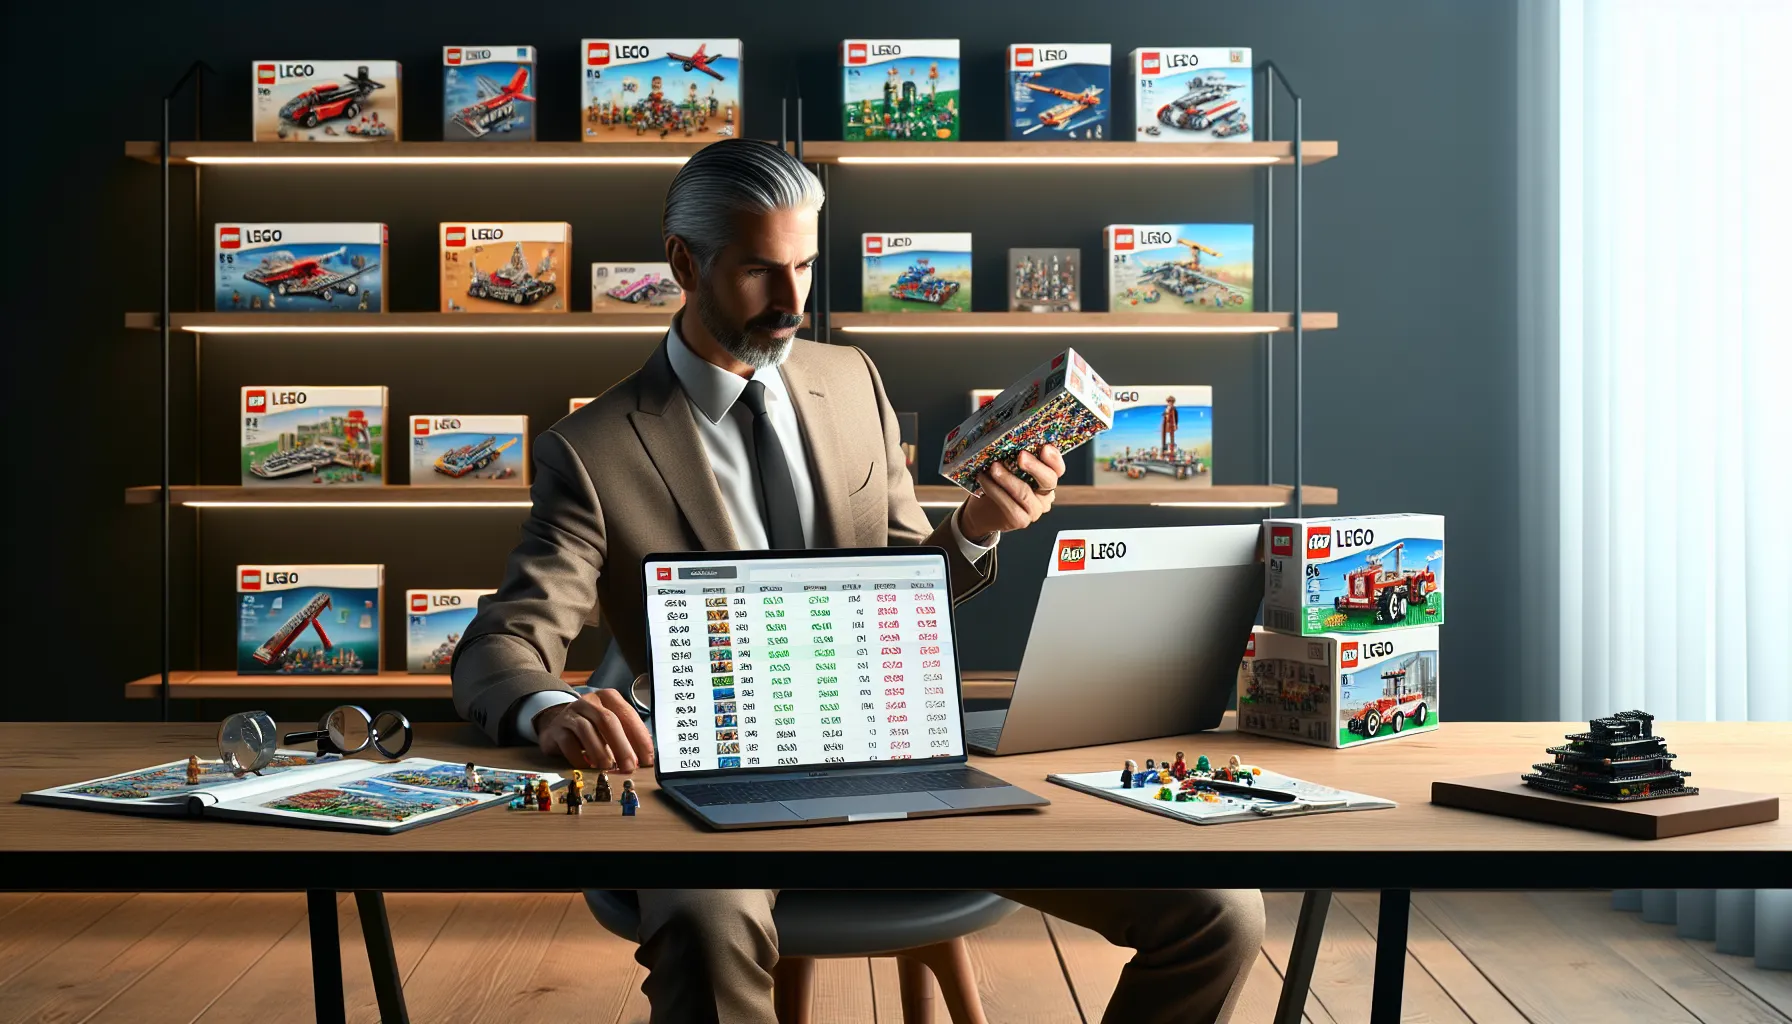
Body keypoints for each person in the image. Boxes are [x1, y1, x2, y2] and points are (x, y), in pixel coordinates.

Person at [451, 139, 1262, 1024]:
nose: (794, 303)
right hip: (717, 780)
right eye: (762, 272)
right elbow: (505, 644)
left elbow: (908, 584)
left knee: (1219, 909)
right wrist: (551, 708)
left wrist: (978, 527)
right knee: (706, 926)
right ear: (684, 263)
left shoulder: (853, 380)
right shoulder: (595, 449)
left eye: (804, 265)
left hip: (900, 757)